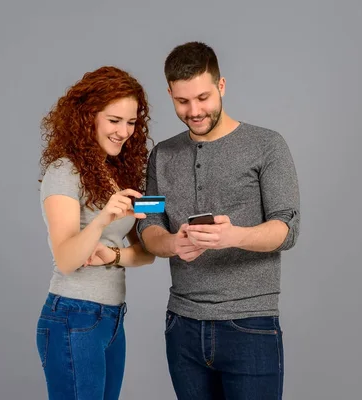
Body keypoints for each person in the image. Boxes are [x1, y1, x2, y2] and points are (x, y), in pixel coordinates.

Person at [137, 42, 300, 399]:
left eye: (203, 97)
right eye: (182, 101)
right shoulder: (160, 154)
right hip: (182, 324)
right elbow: (146, 223)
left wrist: (233, 236)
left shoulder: (268, 145)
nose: (194, 111)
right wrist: (171, 244)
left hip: (250, 323)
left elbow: (287, 228)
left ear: (221, 85)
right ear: (169, 94)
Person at [35, 66, 155, 400]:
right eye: (114, 120)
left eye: (131, 122)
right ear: (88, 116)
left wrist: (113, 255)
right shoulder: (64, 172)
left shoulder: (117, 173)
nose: (124, 132)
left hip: (111, 318)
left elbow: (146, 253)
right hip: (74, 317)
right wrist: (103, 219)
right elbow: (66, 257)